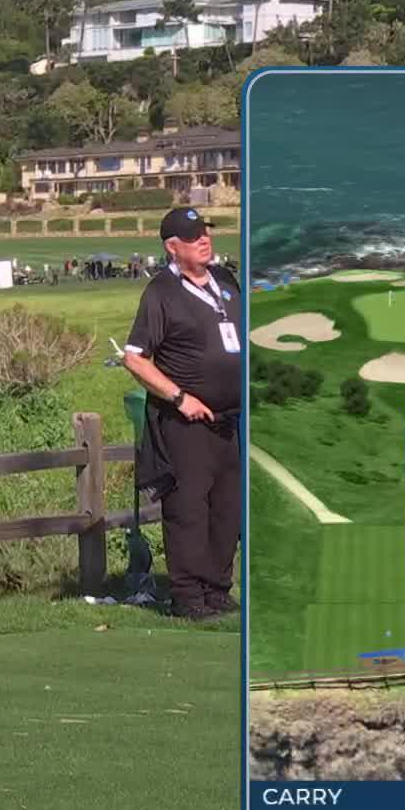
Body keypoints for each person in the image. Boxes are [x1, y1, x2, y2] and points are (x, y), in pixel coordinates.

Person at [121, 207, 243, 619]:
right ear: (172, 247)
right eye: (193, 237)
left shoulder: (226, 281)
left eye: (205, 232)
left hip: (229, 420)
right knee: (188, 510)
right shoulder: (161, 293)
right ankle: (188, 597)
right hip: (185, 423)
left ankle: (217, 590)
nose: (204, 240)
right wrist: (179, 398)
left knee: (227, 509)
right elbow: (135, 358)